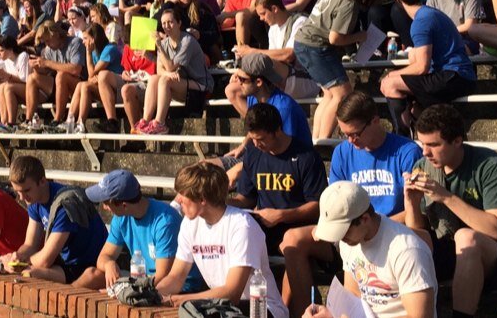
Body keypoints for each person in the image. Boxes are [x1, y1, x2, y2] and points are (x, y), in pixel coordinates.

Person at [280, 92, 423, 315]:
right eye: (343, 133)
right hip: (348, 230)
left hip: (384, 231)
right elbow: (334, 197)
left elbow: (414, 207)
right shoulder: (343, 151)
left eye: (354, 133)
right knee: (292, 239)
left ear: (375, 121)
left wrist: (376, 224)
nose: (350, 141)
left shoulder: (407, 152)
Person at [403, 104, 497, 318]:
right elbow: (420, 235)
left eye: (433, 145)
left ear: (457, 141)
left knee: (466, 238)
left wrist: (445, 196)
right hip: (451, 247)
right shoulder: (423, 165)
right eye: (422, 144)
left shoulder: (490, 165)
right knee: (405, 241)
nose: (425, 152)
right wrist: (411, 203)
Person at [155, 162, 290, 318]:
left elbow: (232, 293)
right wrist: (154, 295)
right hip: (222, 307)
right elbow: (176, 278)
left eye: (183, 195)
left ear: (202, 199)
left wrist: (182, 300)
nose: (178, 200)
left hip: (261, 309)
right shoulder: (189, 223)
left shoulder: (242, 226)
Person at [304, 181, 437, 318]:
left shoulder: (406, 250)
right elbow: (352, 296)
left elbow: (420, 316)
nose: (340, 238)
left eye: (343, 231)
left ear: (365, 219)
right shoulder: (350, 241)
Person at [294, 0, 387, 140]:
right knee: (342, 94)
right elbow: (335, 38)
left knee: (329, 94)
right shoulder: (350, 2)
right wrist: (361, 36)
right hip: (316, 46)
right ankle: (324, 141)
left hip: (304, 41)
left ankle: (317, 139)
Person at [75, 169, 205, 293]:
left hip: (178, 288)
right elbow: (103, 258)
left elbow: (162, 278)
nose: (104, 207)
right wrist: (109, 264)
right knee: (92, 275)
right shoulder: (120, 218)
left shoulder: (165, 221)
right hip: (142, 280)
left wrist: (124, 291)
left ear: (124, 205)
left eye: (106, 202)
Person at [380, 0, 478, 128]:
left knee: (389, 84)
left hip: (454, 76)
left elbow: (422, 67)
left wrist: (393, 74)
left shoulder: (420, 22)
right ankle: (430, 128)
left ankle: (402, 138)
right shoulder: (430, 13)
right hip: (459, 74)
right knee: (413, 106)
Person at [231, 103, 327, 255]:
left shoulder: (306, 156)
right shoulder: (253, 153)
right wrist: (220, 203)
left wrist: (282, 215)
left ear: (277, 130)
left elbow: (317, 207)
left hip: (298, 228)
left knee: (290, 243)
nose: (256, 144)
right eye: (253, 138)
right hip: (263, 228)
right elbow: (246, 199)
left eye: (261, 139)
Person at [0, 155, 107, 284]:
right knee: (20, 271)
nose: (22, 198)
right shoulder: (34, 200)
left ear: (42, 181)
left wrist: (23, 263)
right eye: (17, 192)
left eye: (26, 190)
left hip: (88, 264)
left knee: (31, 274)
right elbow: (29, 245)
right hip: (67, 264)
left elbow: (45, 260)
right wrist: (17, 257)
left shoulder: (64, 205)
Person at [141, 5, 212, 135]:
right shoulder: (164, 43)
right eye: (163, 23)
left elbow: (170, 67)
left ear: (179, 23)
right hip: (181, 83)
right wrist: (169, 73)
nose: (166, 26)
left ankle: (160, 123)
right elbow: (160, 70)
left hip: (201, 85)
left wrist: (160, 49)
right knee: (154, 78)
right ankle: (145, 120)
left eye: (170, 22)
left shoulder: (187, 41)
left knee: (164, 81)